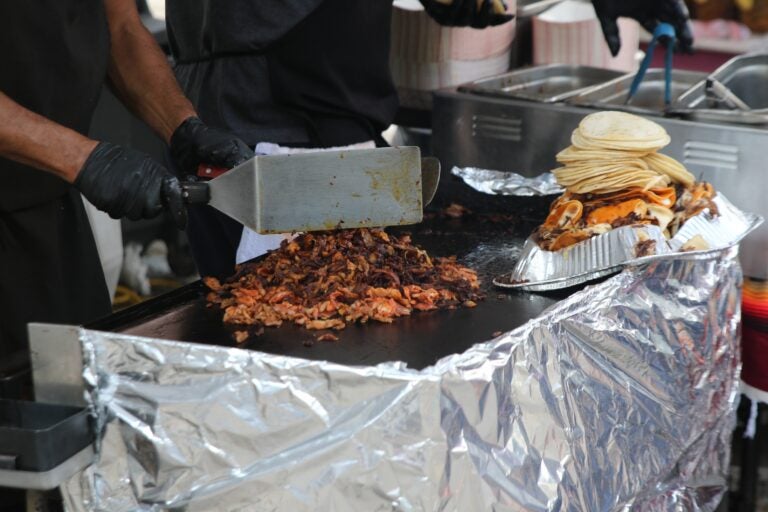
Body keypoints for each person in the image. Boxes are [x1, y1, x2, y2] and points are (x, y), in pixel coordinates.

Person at [0, 1, 253, 365]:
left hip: (53, 209)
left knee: (78, 389)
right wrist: (82, 158)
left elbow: (120, 25)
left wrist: (181, 127)